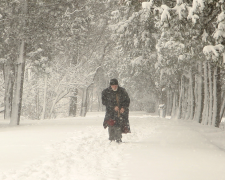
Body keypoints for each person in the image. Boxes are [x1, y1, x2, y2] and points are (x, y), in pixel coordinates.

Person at [102, 78, 131, 143]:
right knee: (111, 125)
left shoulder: (122, 91)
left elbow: (127, 100)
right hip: (110, 112)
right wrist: (113, 107)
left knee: (118, 124)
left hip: (120, 112)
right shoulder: (106, 92)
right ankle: (111, 139)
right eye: (113, 85)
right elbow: (104, 102)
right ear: (110, 85)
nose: (114, 87)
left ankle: (118, 138)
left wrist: (123, 107)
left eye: (116, 85)